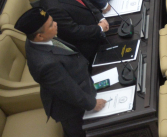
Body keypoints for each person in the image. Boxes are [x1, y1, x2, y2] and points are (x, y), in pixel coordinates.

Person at [16, 7, 105, 137]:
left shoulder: (36, 40)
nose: (56, 23)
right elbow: (68, 90)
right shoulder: (46, 64)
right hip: (72, 111)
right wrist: (92, 104)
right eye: (51, 25)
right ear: (39, 36)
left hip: (78, 85)